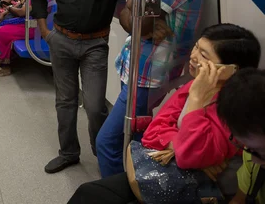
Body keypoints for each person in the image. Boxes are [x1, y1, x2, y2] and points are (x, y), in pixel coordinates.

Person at [67, 23, 261, 204]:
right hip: (171, 173)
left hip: (201, 189)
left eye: (204, 56)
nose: (194, 57)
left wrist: (195, 102)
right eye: (196, 48)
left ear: (230, 70)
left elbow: (188, 156)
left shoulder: (232, 108)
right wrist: (178, 145)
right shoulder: (193, 85)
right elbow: (152, 133)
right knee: (88, 193)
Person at [97, 0, 204, 177]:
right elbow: (126, 13)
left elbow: (141, 24)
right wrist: (136, 20)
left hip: (150, 74)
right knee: (131, 141)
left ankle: (117, 193)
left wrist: (137, 20)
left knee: (108, 141)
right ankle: (135, 185)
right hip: (133, 66)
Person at [31, 0, 136, 173]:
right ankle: (68, 153)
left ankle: (103, 155)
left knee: (94, 105)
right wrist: (45, 32)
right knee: (65, 101)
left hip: (95, 45)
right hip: (62, 41)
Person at [219, 69, 265, 204]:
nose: (254, 160)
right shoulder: (252, 154)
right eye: (250, 149)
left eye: (262, 153)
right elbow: (240, 199)